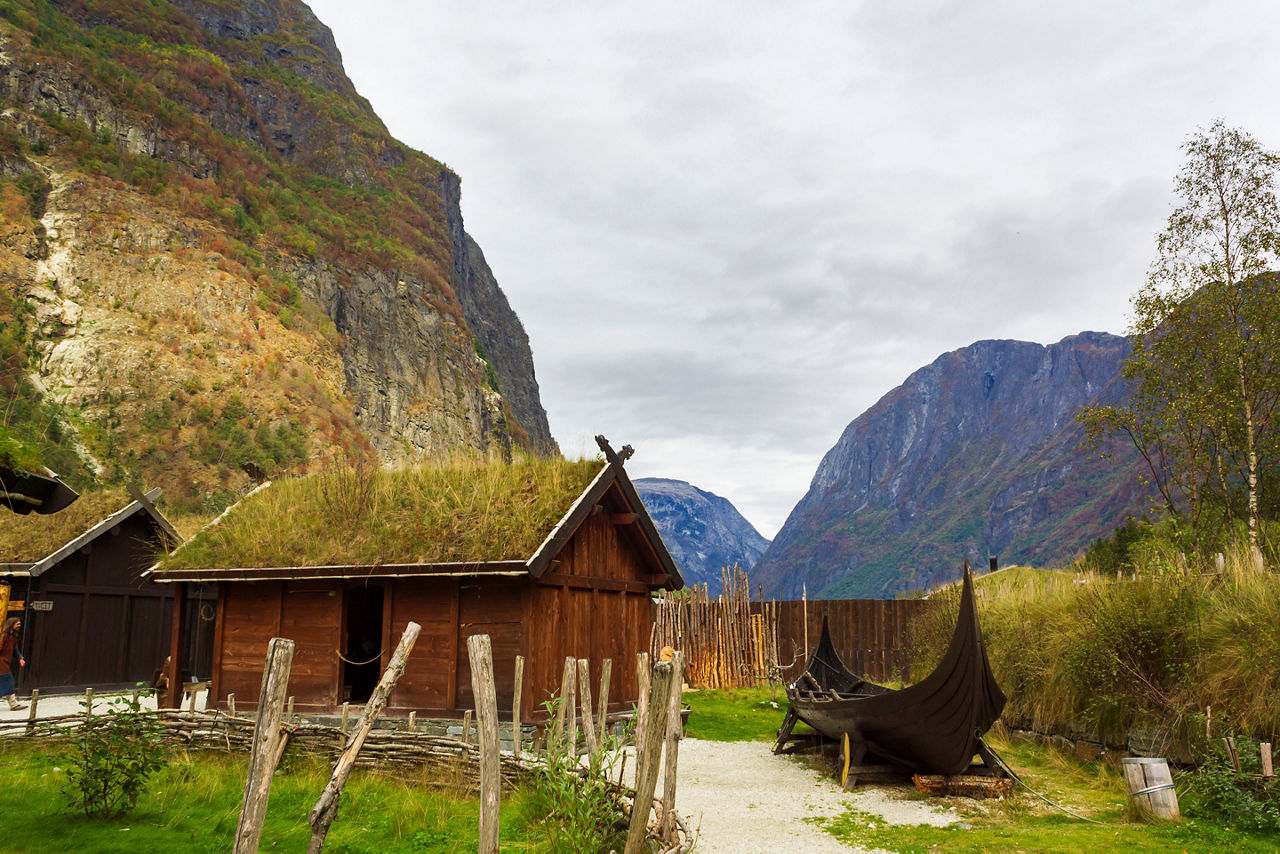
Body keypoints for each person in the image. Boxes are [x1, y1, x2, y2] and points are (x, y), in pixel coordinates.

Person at [0, 617, 26, 711]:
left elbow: (15, 650)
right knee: (8, 682)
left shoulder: (13, 637)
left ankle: (13, 704)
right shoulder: (4, 636)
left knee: (7, 683)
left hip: (5, 663)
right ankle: (13, 704)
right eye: (17, 624)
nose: (19, 626)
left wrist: (20, 658)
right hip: (1, 663)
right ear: (12, 624)